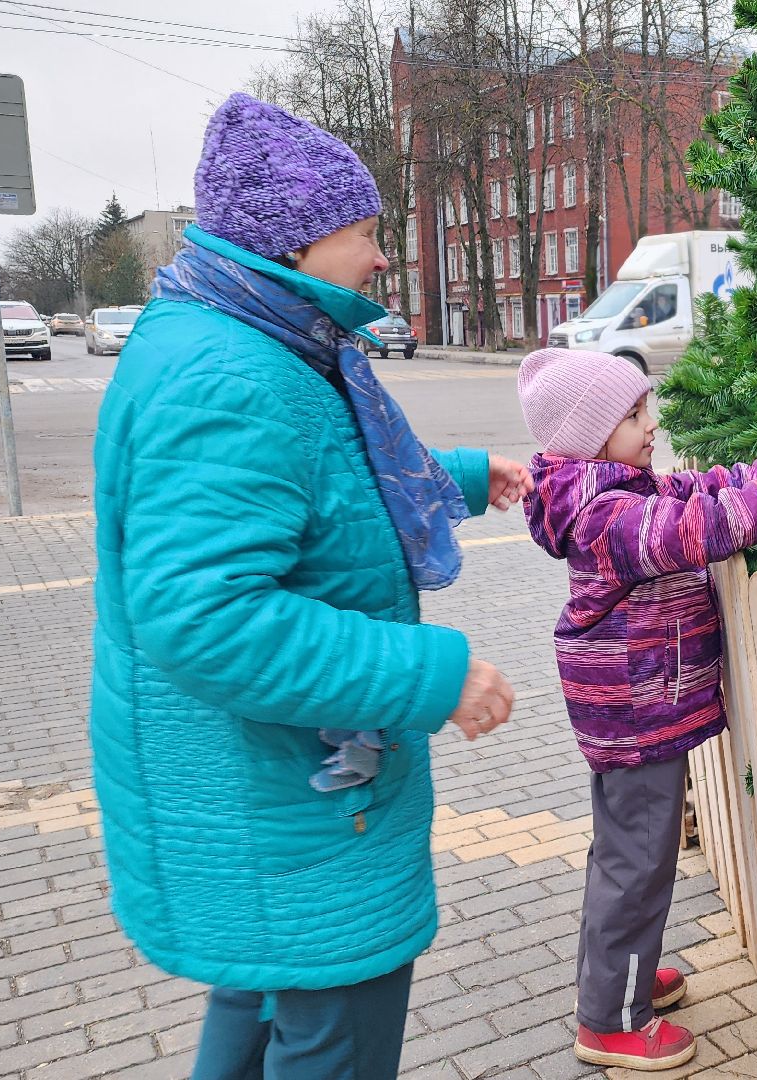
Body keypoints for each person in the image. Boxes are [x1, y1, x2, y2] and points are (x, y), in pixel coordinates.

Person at [88, 93, 530, 1080]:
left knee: (257, 1003)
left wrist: (454, 478)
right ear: (291, 244)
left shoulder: (247, 337)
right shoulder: (233, 375)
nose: (381, 258)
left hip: (271, 800)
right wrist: (431, 676)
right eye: (365, 233)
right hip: (286, 799)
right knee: (330, 1025)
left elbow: (312, 486)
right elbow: (207, 616)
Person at [516, 348, 757, 1070]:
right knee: (637, 866)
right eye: (634, 414)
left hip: (633, 710)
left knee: (624, 859)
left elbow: (703, 486)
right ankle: (610, 1021)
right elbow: (705, 526)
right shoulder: (610, 515)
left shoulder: (618, 491)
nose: (650, 422)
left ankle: (621, 982)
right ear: (593, 433)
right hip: (637, 718)